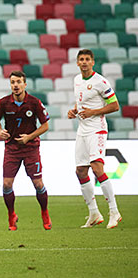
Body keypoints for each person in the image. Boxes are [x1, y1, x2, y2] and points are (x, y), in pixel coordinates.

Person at [67, 49, 122, 229]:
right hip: (82, 130)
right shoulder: (76, 80)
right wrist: (74, 110)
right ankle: (94, 213)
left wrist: (94, 112)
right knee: (80, 171)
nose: (84, 62)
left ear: (93, 62)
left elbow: (115, 105)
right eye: (81, 59)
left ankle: (114, 212)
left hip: (97, 130)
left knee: (97, 167)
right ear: (77, 63)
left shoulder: (100, 82)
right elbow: (81, 100)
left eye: (87, 59)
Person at [0, 71, 51, 231]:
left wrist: (29, 137)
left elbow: (45, 125)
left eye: (18, 82)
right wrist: (0, 131)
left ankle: (44, 212)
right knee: (6, 184)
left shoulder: (34, 103)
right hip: (11, 148)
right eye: (12, 82)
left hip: (31, 148)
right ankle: (11, 214)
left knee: (38, 184)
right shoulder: (4, 103)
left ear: (25, 84)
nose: (15, 85)